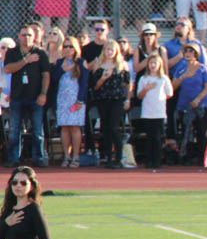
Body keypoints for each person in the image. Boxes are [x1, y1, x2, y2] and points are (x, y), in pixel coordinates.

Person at [4, 25, 51, 168]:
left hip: (35, 97)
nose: (27, 38)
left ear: (34, 37)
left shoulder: (40, 53)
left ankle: (38, 157)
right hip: (17, 97)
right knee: (14, 130)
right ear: (19, 37)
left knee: (37, 130)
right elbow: (7, 69)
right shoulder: (12, 53)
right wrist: (26, 60)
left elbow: (46, 75)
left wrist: (43, 93)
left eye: (30, 35)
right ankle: (14, 158)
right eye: (24, 35)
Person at [89, 40, 131, 169]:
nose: (109, 52)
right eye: (107, 49)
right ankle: (107, 157)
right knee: (105, 128)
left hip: (117, 99)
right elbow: (94, 87)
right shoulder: (98, 64)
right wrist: (103, 78)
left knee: (114, 127)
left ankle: (118, 157)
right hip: (102, 98)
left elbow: (128, 84)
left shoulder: (122, 65)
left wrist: (128, 99)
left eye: (112, 50)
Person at [51, 36, 87, 168]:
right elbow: (53, 79)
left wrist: (80, 100)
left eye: (70, 46)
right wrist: (62, 70)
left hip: (76, 99)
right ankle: (66, 155)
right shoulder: (59, 62)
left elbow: (84, 83)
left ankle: (76, 156)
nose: (68, 49)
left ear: (75, 48)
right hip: (62, 99)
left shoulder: (81, 62)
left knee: (75, 128)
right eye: (65, 46)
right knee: (65, 128)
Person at [171, 42, 207, 163]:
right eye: (186, 52)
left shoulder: (203, 69)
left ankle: (201, 157)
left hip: (200, 105)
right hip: (184, 105)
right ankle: (186, 156)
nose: (188, 54)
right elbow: (172, 87)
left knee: (201, 131)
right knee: (185, 132)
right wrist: (183, 77)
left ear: (196, 54)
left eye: (191, 52)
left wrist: (198, 100)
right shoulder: (181, 69)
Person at [136, 53, 173, 169]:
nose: (153, 65)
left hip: (159, 112)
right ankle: (149, 160)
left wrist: (160, 100)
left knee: (158, 137)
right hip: (147, 112)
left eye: (155, 63)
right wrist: (146, 89)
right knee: (149, 137)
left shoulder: (163, 78)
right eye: (151, 63)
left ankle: (157, 160)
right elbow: (139, 95)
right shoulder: (144, 78)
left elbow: (169, 93)